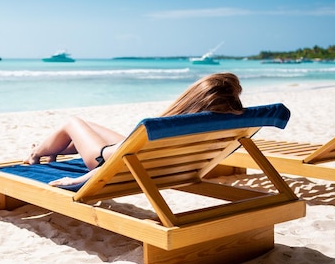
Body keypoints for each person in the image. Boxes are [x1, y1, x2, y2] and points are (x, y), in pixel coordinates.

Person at [23, 72, 244, 187]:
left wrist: (77, 180)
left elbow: (122, 164)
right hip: (126, 152)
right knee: (88, 128)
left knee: (72, 122)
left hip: (103, 160)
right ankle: (50, 149)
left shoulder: (168, 127)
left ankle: (37, 152)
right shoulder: (213, 127)